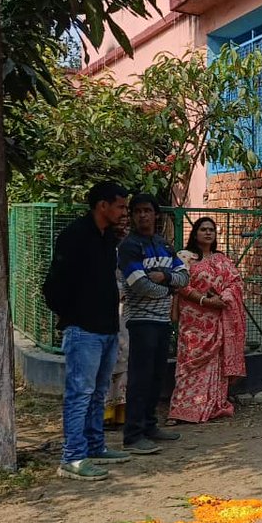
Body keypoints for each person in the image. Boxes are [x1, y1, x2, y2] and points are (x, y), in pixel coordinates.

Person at [42, 180, 132, 480]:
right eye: (119, 205)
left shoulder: (107, 238)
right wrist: (73, 316)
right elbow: (54, 285)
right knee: (80, 393)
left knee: (98, 393)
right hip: (83, 330)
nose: (124, 211)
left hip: (106, 328)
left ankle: (95, 446)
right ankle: (72, 457)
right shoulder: (75, 236)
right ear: (102, 205)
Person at [119, 193, 188, 455]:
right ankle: (133, 434)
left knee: (156, 376)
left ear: (155, 214)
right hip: (140, 320)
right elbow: (139, 284)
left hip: (161, 321)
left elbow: (184, 277)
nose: (143, 215)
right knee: (140, 377)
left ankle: (149, 425)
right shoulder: (130, 246)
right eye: (137, 211)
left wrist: (165, 277)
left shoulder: (163, 245)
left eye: (147, 210)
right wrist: (170, 288)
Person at [168, 217, 247, 423]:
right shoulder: (185, 257)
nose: (208, 233)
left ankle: (211, 405)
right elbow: (181, 285)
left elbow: (236, 283)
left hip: (217, 321)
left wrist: (225, 298)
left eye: (211, 229)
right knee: (188, 364)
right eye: (203, 229)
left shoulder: (222, 260)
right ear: (195, 233)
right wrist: (205, 301)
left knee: (215, 365)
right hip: (193, 322)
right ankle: (181, 409)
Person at [104, 212, 131, 428]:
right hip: (104, 308)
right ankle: (104, 411)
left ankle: (120, 409)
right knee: (107, 358)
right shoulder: (103, 249)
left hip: (127, 308)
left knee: (125, 354)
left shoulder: (131, 250)